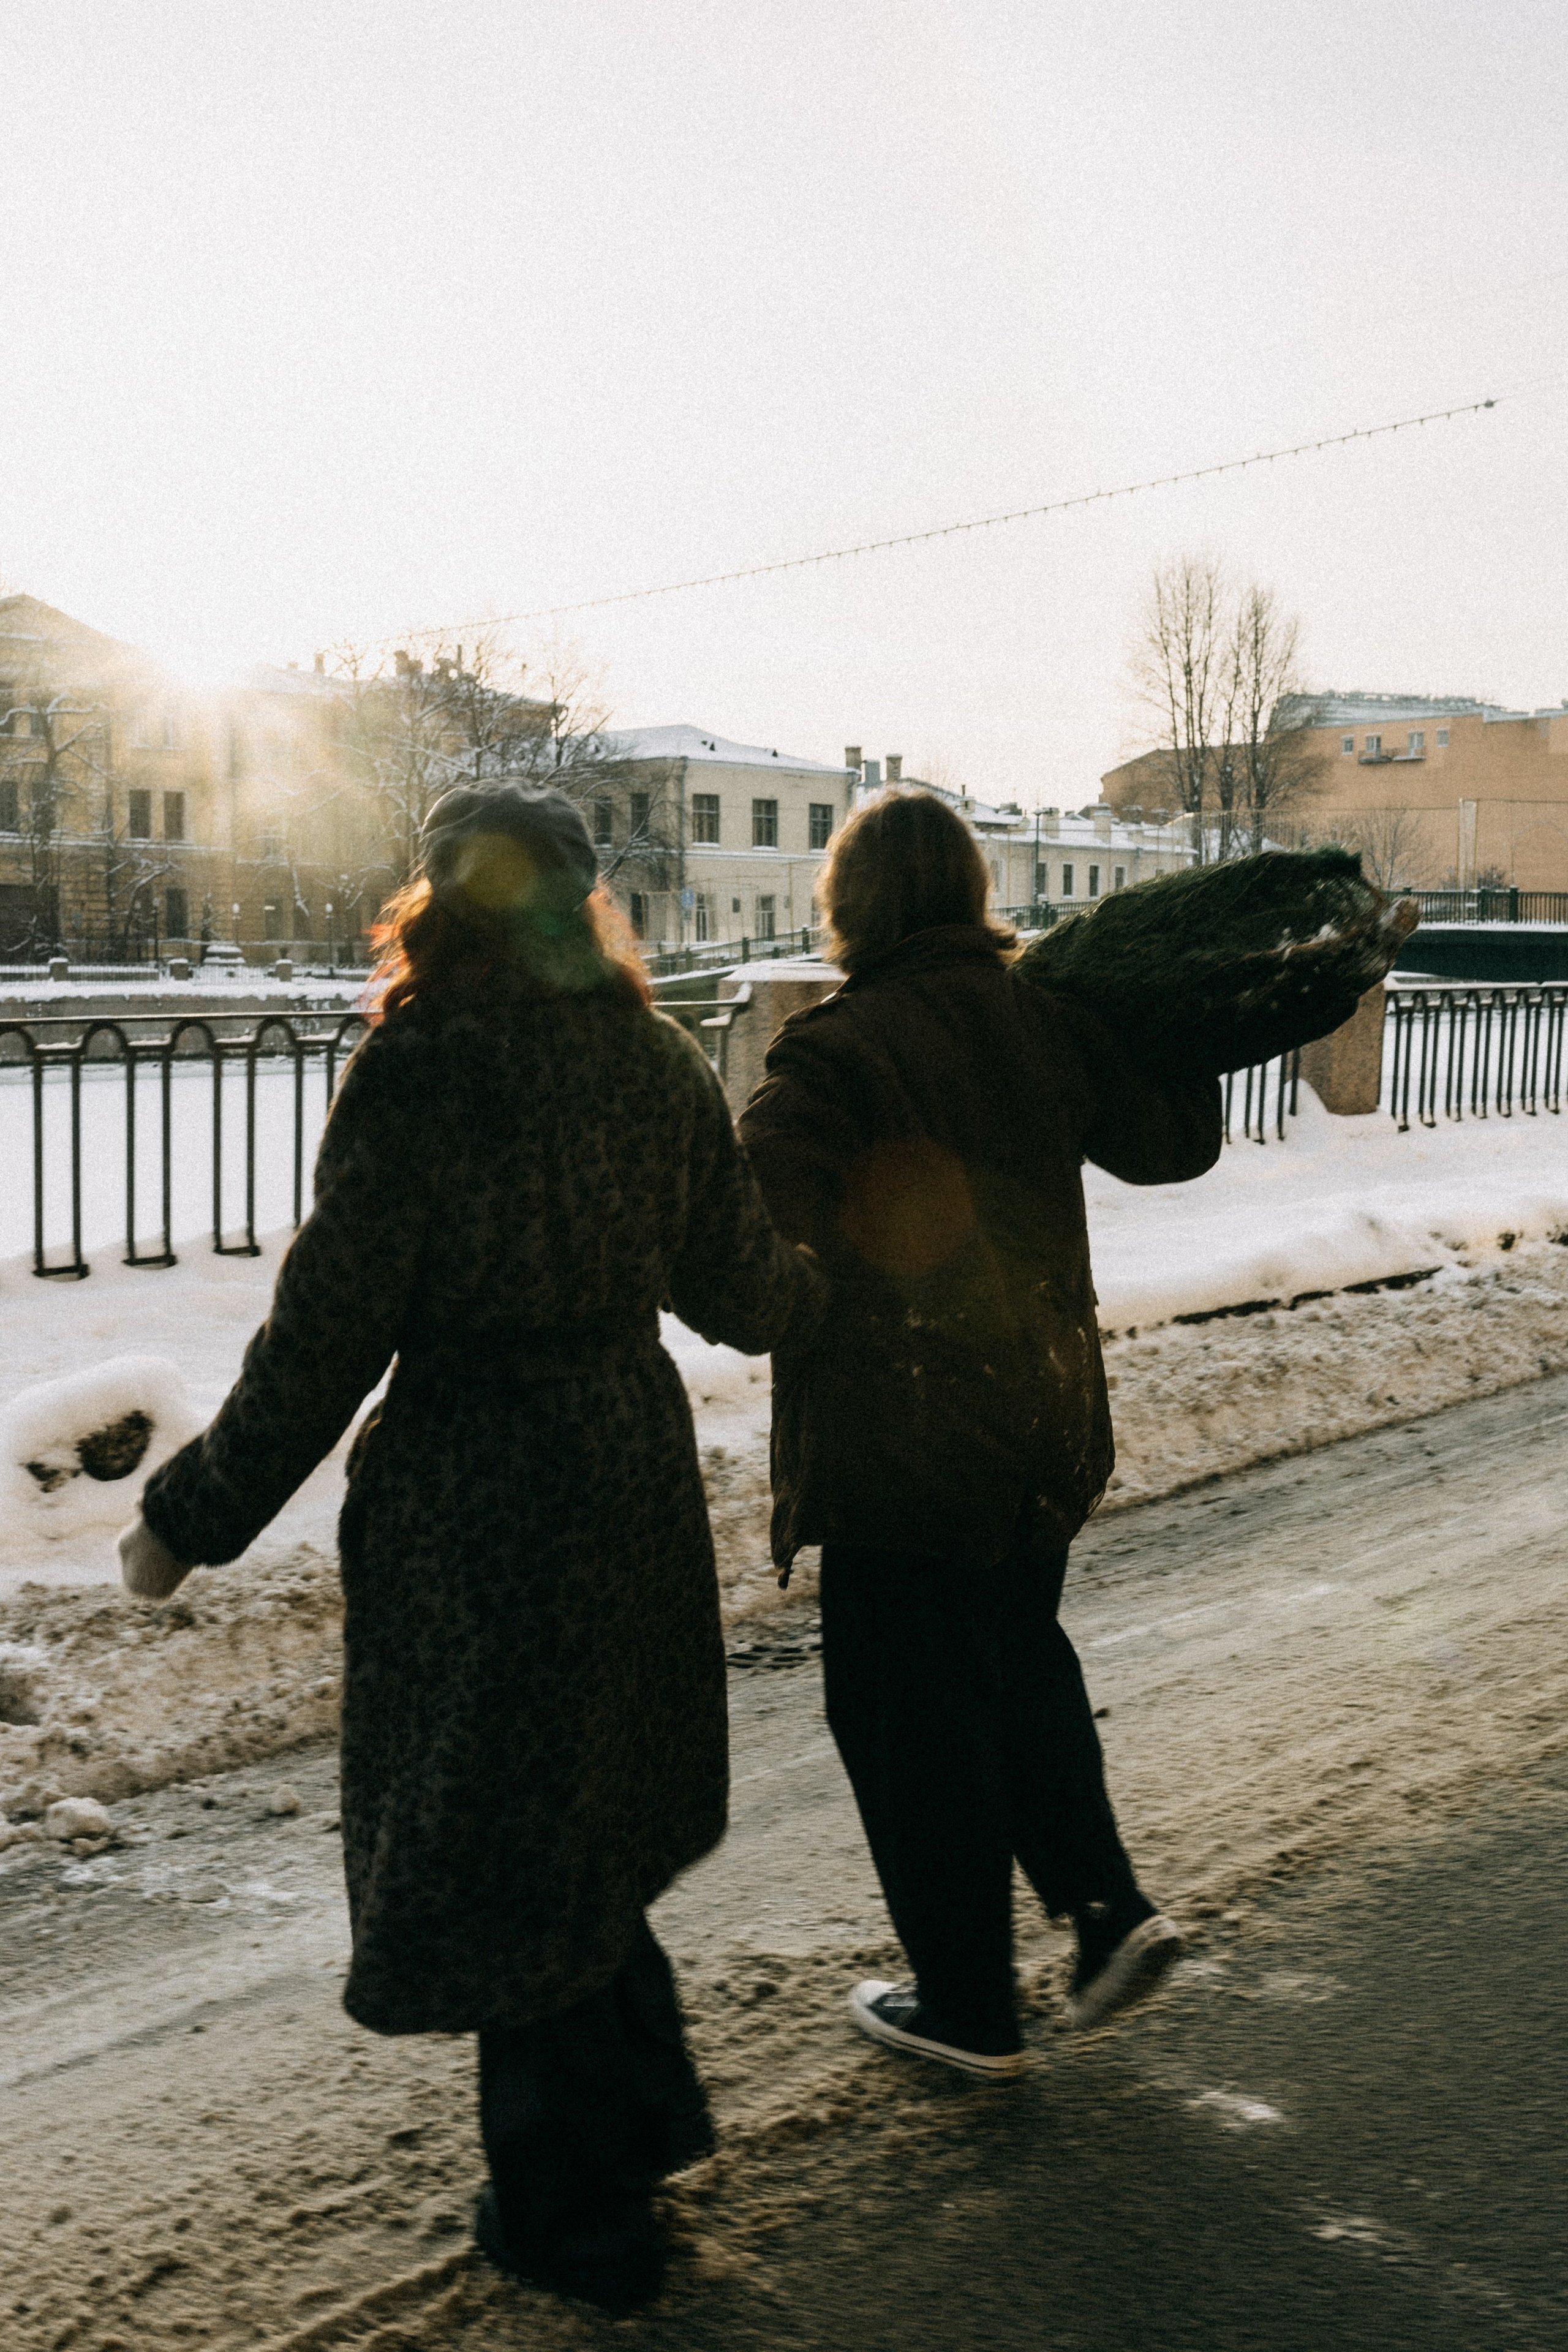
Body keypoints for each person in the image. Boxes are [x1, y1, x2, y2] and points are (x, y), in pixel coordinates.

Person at [116, 782, 822, 2314]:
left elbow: (328, 1334)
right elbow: (745, 1293)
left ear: (434, 908)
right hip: (621, 1470)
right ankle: (641, 2126)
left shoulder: (420, 1071)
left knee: (509, 1847)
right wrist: (844, 1279)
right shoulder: (654, 1061)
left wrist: (188, 1515)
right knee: (581, 1817)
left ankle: (577, 2221)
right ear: (583, 905)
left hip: (476, 1499)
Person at [738, 788, 1221, 2080]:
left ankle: (966, 2005)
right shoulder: (1043, 1018)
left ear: (849, 904)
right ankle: (1106, 1912)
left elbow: (748, 1232)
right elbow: (1171, 1146)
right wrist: (1184, 1019)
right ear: (968, 893)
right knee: (1011, 1658)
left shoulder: (838, 1052)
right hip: (1044, 1416)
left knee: (907, 1718)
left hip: (907, 1441)